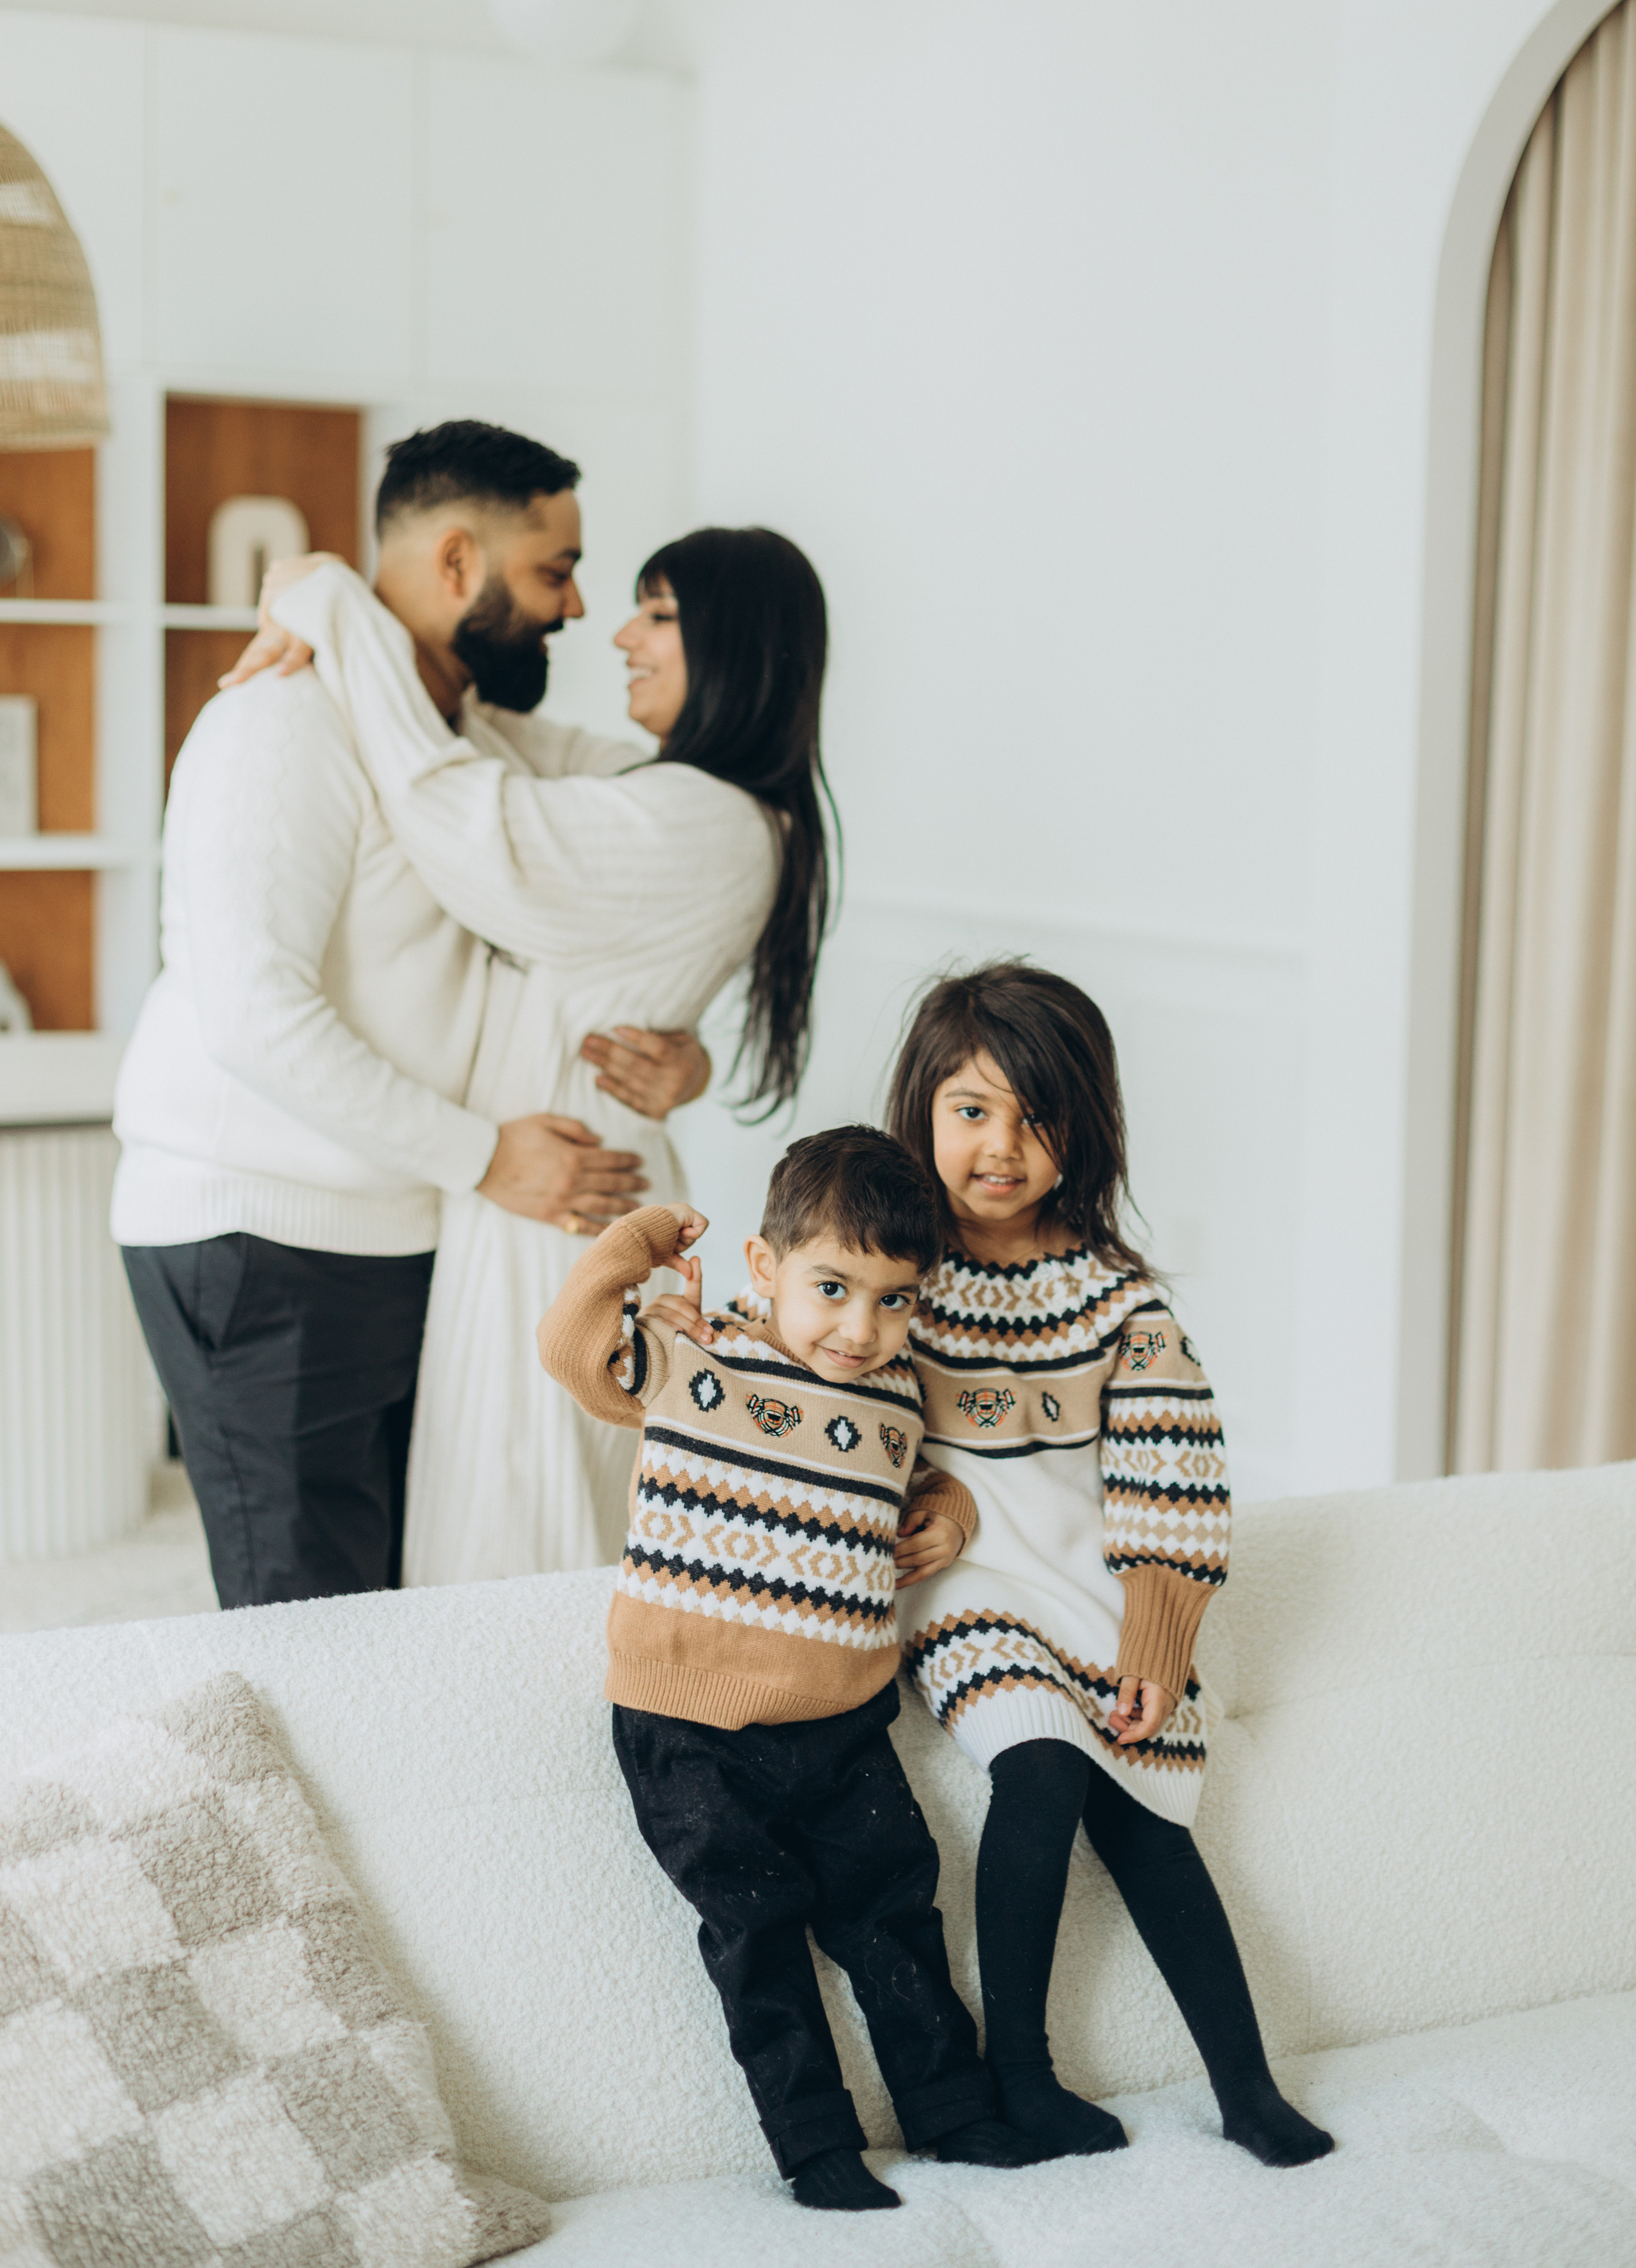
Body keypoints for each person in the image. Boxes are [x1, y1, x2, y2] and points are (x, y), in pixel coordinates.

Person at [114, 421, 706, 1608]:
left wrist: (681, 1053)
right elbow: (251, 1014)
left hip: (390, 1224)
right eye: (554, 571)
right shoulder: (277, 722)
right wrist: (488, 1158)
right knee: (309, 1623)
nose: (578, 607)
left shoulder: (465, 743)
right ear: (454, 564)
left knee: (389, 1610)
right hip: (261, 1235)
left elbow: (684, 796)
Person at [242, 520, 835, 1576]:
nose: (619, 635)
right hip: (574, 1189)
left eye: (658, 616)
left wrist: (335, 601)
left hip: (567, 1207)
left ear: (734, 649)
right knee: (540, 1512)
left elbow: (457, 809)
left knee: (521, 1534)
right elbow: (496, 739)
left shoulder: (698, 817)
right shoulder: (689, 796)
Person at [536, 1129, 1044, 2211]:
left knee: (896, 1913)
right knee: (757, 1934)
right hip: (687, 1723)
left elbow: (937, 1479)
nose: (861, 1329)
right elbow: (572, 1350)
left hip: (844, 1723)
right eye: (831, 1289)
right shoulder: (695, 1354)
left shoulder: (899, 1394)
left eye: (896, 1300)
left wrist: (946, 1522)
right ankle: (815, 2143)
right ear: (765, 1270)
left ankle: (954, 2110)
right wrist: (638, 1239)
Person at [887, 962, 1335, 2168]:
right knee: (1040, 1771)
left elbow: (1173, 1481)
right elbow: (851, 1420)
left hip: (1091, 1582)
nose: (1001, 1145)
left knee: (1147, 1810)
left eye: (1038, 1117)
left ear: (1085, 1129)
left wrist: (1156, 1644)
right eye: (972, 1110)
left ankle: (1245, 2088)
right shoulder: (895, 1278)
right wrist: (936, 1501)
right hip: (964, 1590)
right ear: (921, 1110)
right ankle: (1017, 2074)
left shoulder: (1118, 1303)